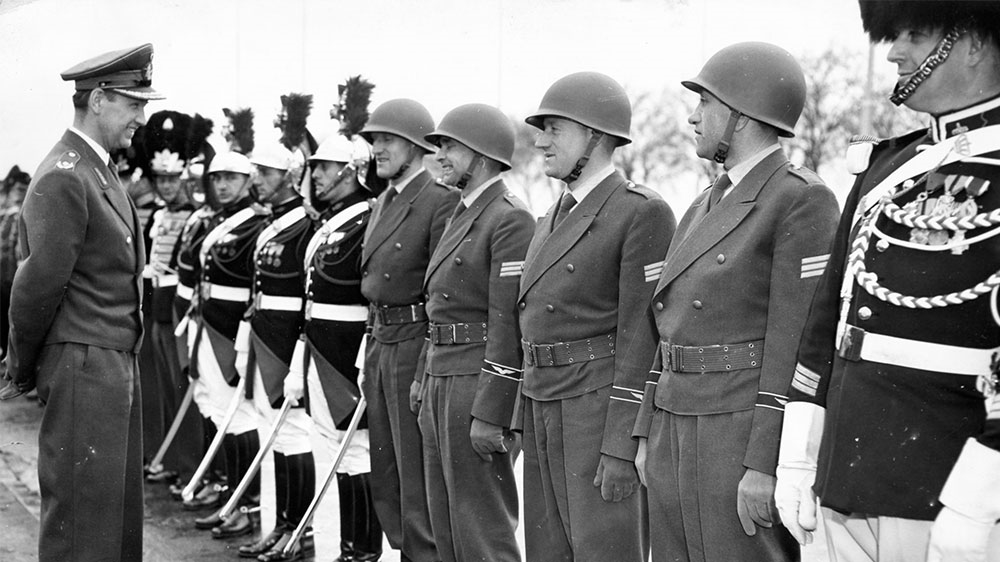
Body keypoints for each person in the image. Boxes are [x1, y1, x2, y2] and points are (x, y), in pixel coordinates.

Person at [776, 2, 1000, 561]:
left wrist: (979, 500)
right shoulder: (887, 169)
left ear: (972, 43)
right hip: (843, 477)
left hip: (945, 487)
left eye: (915, 36)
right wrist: (799, 457)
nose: (894, 51)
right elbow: (827, 323)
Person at [631, 42, 840, 562]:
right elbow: (669, 322)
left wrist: (765, 462)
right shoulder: (704, 202)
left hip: (736, 435)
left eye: (704, 103)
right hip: (674, 424)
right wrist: (645, 432)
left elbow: (795, 344)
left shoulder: (800, 198)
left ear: (741, 115)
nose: (691, 117)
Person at [0, 43, 164, 562]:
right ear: (98, 100)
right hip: (84, 365)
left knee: (113, 526)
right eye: (134, 104)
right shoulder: (66, 175)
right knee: (81, 531)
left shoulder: (98, 171)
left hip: (111, 363)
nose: (142, 117)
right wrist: (23, 366)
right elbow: (36, 287)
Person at [517, 72, 676, 562]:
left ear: (595, 135)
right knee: (548, 550)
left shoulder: (640, 212)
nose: (541, 141)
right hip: (543, 401)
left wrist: (620, 444)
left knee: (604, 550)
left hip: (595, 409)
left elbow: (641, 340)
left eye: (554, 129)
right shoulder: (551, 216)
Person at [417, 104, 534, 562]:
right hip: (443, 378)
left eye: (449, 145)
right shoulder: (463, 212)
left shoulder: (509, 217)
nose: (440, 155)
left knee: (482, 528)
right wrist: (425, 380)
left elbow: (508, 322)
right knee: (445, 523)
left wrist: (493, 409)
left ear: (482, 153)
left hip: (475, 383)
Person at [358, 98, 459, 562]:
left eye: (387, 139)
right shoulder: (382, 202)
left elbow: (443, 292)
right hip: (379, 343)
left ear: (417, 145)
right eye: (374, 140)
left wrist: (423, 365)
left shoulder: (439, 200)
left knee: (415, 475)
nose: (377, 148)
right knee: (387, 472)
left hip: (413, 344)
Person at [300, 133, 384, 562]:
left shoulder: (368, 219)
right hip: (320, 347)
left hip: (349, 350)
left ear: (350, 171)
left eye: (325, 167)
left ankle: (362, 550)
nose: (316, 175)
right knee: (333, 448)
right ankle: (340, 545)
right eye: (314, 167)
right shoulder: (330, 220)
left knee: (357, 451)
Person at [236, 141, 317, 561]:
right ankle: (285, 522)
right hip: (266, 334)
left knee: (294, 434)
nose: (256, 180)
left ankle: (299, 528)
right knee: (276, 434)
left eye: (265, 173)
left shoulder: (306, 223)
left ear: (289, 175)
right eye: (255, 172)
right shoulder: (273, 222)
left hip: (290, 338)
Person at [188, 150, 269, 538]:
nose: (221, 185)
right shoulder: (216, 220)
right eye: (217, 177)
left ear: (247, 180)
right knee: (217, 410)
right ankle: (229, 495)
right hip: (208, 320)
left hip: (231, 326)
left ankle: (246, 504)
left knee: (239, 418)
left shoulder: (257, 223)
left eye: (231, 178)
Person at [142, 112, 203, 490]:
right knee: (159, 387)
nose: (165, 187)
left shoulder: (196, 216)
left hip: (178, 307)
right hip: (154, 303)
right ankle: (164, 454)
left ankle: (189, 465)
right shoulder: (157, 214)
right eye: (160, 179)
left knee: (182, 390)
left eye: (171, 179)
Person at [0, 166, 30, 357]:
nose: (21, 194)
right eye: (18, 190)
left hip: (13, 276)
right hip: (3, 274)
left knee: (12, 318)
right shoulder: (6, 215)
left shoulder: (21, 215)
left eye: (24, 190)